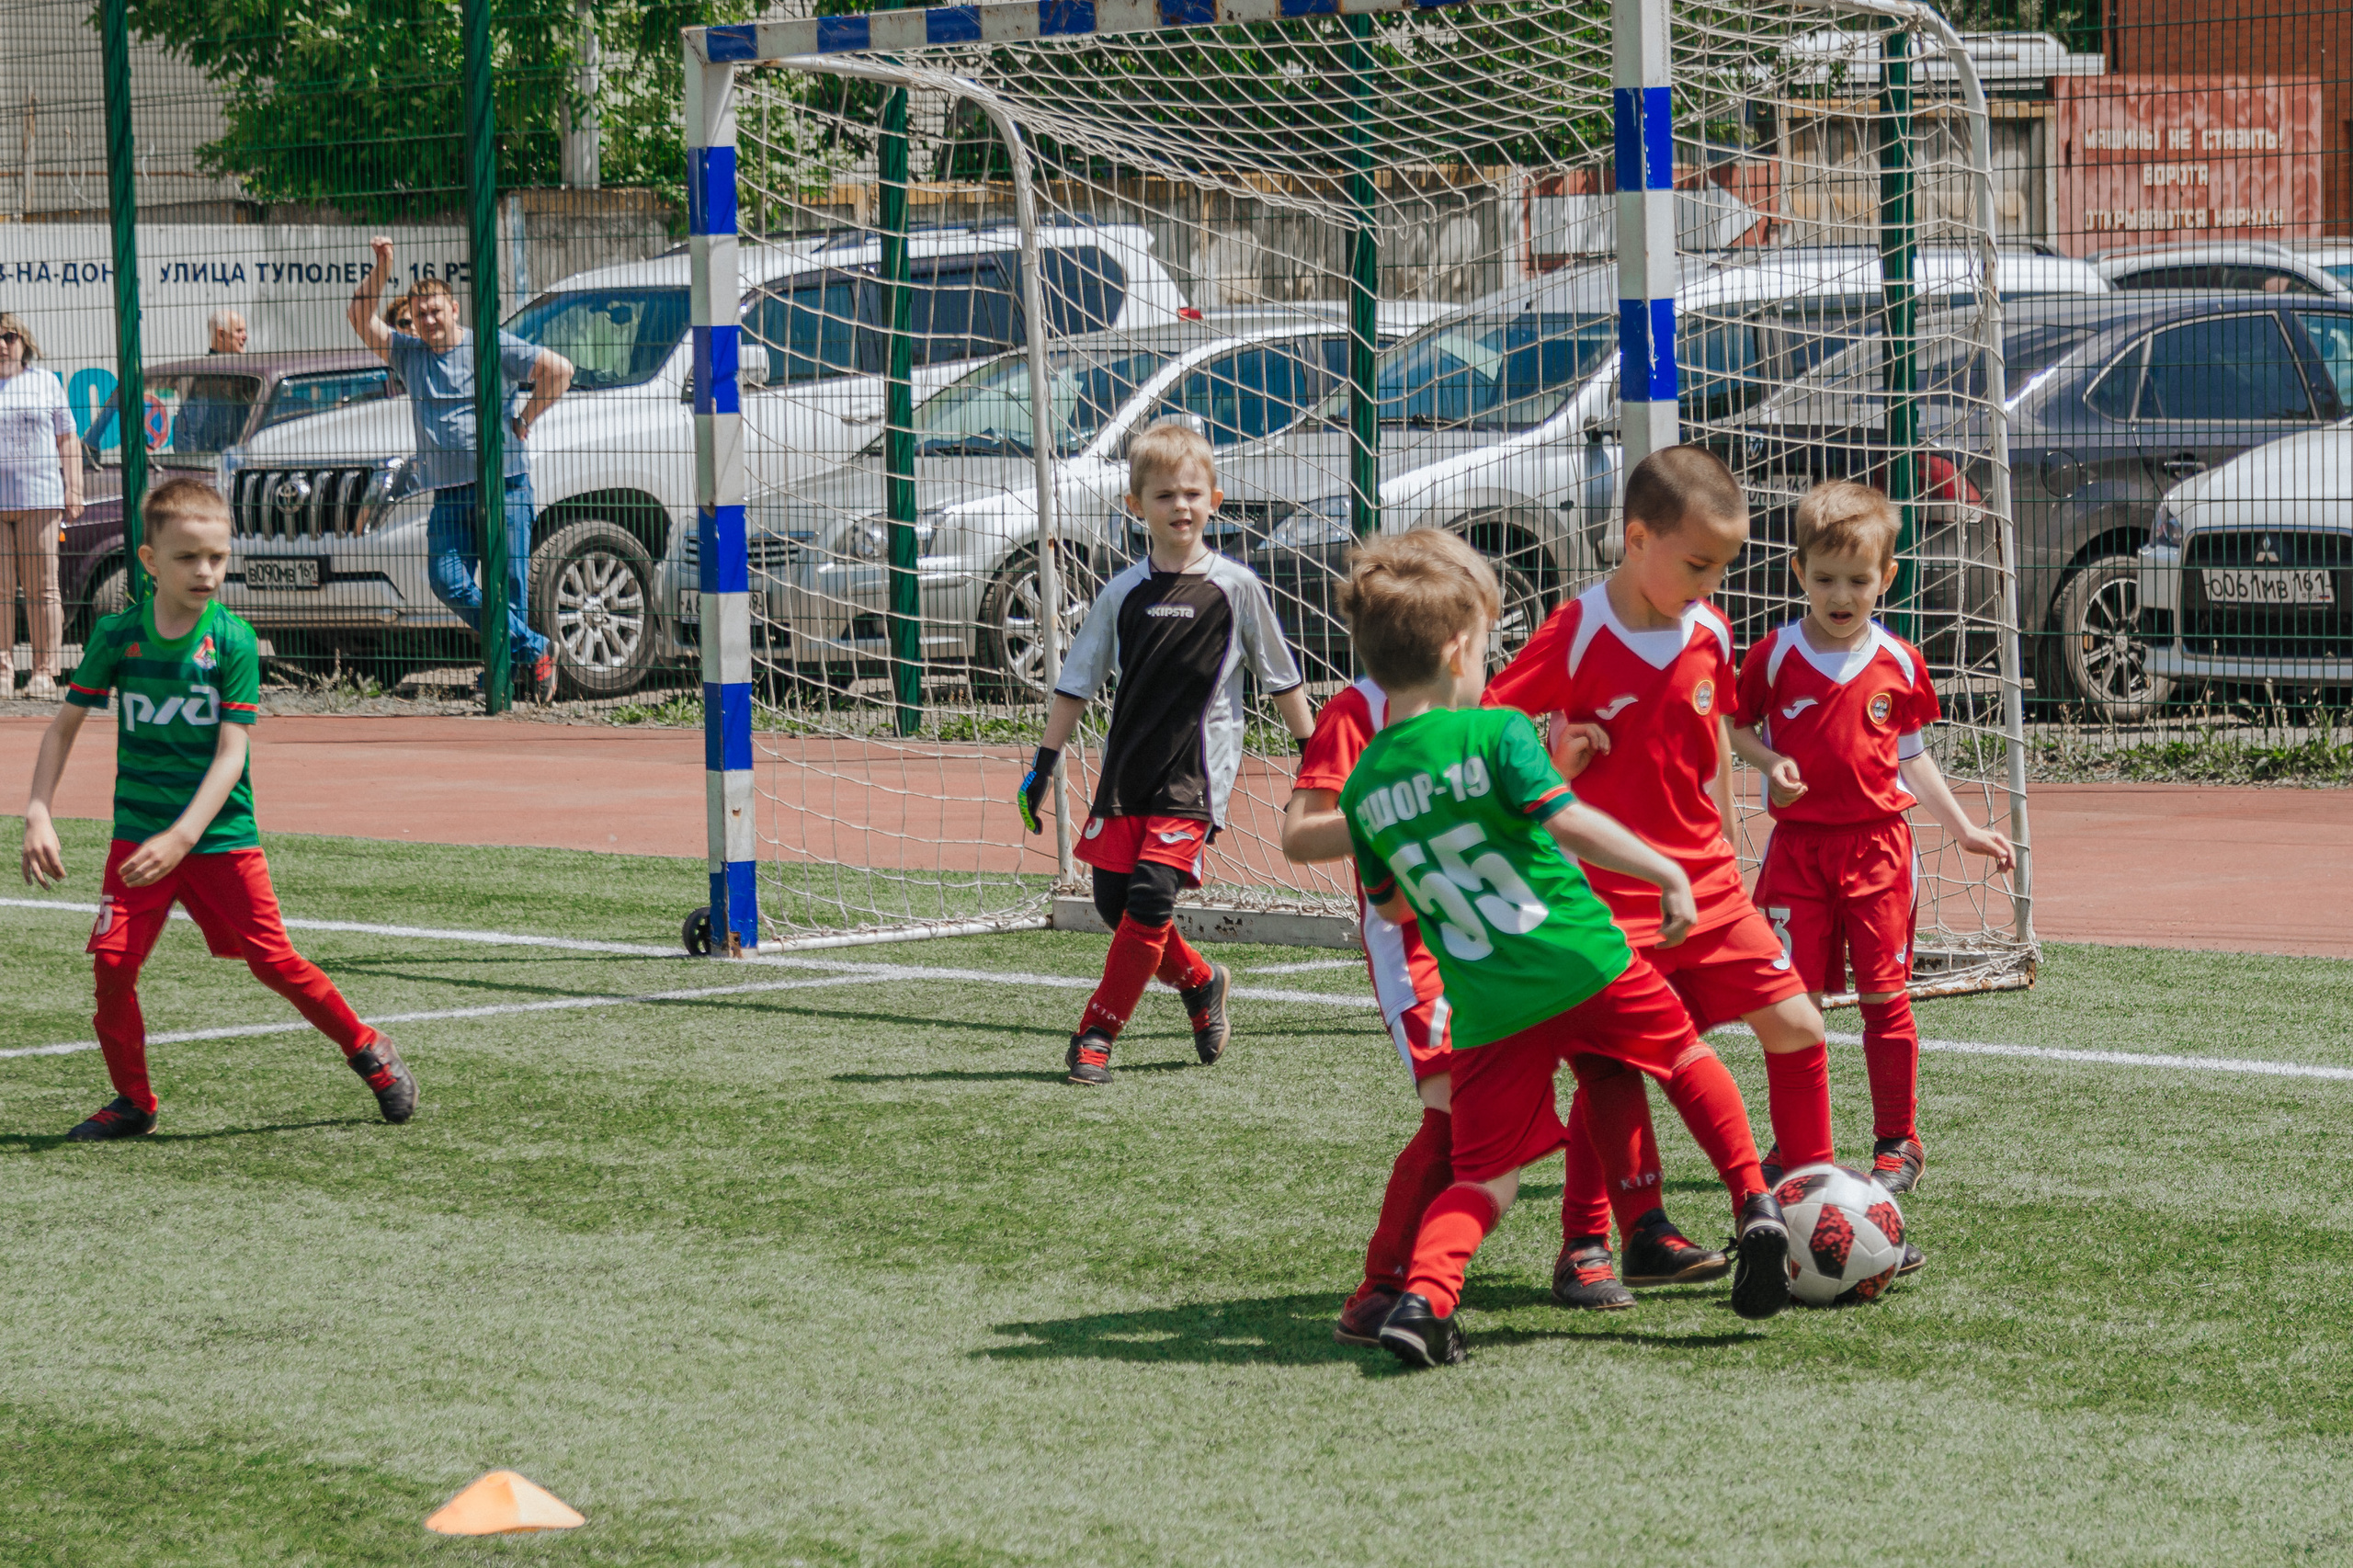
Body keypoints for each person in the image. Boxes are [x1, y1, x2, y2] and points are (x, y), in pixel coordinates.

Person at [1331, 528, 1789, 1367]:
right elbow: (1565, 819)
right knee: (1683, 1057)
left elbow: (1391, 904)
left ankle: (1427, 1300)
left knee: (1486, 1182)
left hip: (1485, 1007)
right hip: (1582, 958)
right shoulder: (1499, 734)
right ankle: (1755, 1202)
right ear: (1457, 648)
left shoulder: (1362, 788)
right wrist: (1664, 870)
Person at [1483, 446, 1844, 1302]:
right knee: (1608, 1070)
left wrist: (1728, 842)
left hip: (1710, 887)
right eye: (1697, 564)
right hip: (1602, 901)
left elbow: (1712, 738)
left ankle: (1812, 1218)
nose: (1711, 584)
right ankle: (1588, 1246)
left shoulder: (1711, 632)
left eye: (1724, 566)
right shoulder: (1573, 633)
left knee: (1799, 1027)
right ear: (1635, 537)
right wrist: (1552, 758)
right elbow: (1486, 737)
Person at [18, 478, 417, 1140]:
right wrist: (38, 810)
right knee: (113, 968)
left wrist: (183, 836)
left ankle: (368, 1047)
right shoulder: (119, 636)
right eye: (186, 558)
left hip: (221, 838)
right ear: (148, 562)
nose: (205, 571)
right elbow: (62, 727)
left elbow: (232, 755)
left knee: (274, 962)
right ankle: (133, 1102)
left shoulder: (232, 642)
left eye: (217, 557)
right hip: (139, 839)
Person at [1730, 481, 2015, 1195]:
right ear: (1798, 573)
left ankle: (1898, 1141)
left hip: (1880, 853)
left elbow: (1913, 757)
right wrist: (1768, 763)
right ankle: (1801, 1145)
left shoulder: (1900, 662)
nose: (1840, 595)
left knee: (1886, 999)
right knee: (1793, 1006)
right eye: (1824, 579)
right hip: (1797, 854)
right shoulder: (1772, 656)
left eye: (1858, 581)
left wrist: (1966, 828)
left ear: (1886, 578)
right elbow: (1736, 727)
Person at [1017, 420, 1313, 1085]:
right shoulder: (1121, 593)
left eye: (1192, 493)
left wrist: (1314, 757)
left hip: (1196, 777)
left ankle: (1096, 1033)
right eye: (1163, 496)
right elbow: (1076, 684)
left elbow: (1282, 678)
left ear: (1216, 498)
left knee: (1152, 897)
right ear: (1135, 507)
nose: (1180, 506)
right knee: (1115, 905)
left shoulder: (1237, 588)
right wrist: (1043, 764)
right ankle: (1202, 983)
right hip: (1127, 774)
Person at [348, 238, 573, 702]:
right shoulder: (410, 354)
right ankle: (535, 650)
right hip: (448, 493)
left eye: (436, 311)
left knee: (506, 588)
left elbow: (560, 370)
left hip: (503, 485)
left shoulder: (489, 345)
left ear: (454, 308)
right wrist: (383, 266)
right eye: (420, 313)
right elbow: (358, 318)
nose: (428, 320)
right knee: (446, 580)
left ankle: (504, 679)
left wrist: (525, 418)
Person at [0, 311, 80, 703]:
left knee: (43, 590)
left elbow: (68, 439)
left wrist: (74, 490)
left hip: (40, 501)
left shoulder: (46, 383)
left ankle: (45, 672)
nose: (1, 344)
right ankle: (2, 669)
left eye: (8, 336)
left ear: (23, 341)